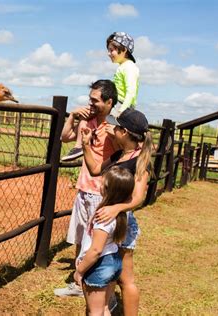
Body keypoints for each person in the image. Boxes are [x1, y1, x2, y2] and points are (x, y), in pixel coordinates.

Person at [81, 108, 153, 316]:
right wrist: (86, 144)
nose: (112, 128)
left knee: (126, 279)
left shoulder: (140, 160)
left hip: (122, 221)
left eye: (117, 126)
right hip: (113, 220)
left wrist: (116, 208)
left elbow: (138, 197)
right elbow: (95, 169)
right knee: (112, 272)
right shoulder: (120, 155)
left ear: (125, 132)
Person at [54, 79, 118, 298]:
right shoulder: (86, 120)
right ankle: (79, 279)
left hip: (102, 192)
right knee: (81, 236)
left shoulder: (114, 127)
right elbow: (64, 137)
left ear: (109, 102)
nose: (90, 104)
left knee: (96, 240)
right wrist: (71, 117)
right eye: (89, 99)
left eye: (95, 100)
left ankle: (91, 282)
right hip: (83, 188)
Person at [61, 31, 139, 162]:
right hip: (119, 103)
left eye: (112, 50)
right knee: (87, 115)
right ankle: (80, 144)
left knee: (111, 130)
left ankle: (80, 146)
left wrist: (121, 110)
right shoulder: (123, 67)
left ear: (124, 50)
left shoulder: (129, 67)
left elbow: (131, 91)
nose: (109, 54)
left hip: (120, 104)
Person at [74, 166, 134, 315]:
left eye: (102, 182)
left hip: (100, 265)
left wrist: (80, 271)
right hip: (114, 262)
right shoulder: (120, 214)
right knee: (105, 308)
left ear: (107, 189)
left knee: (94, 311)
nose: (99, 184)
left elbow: (96, 250)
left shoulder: (103, 218)